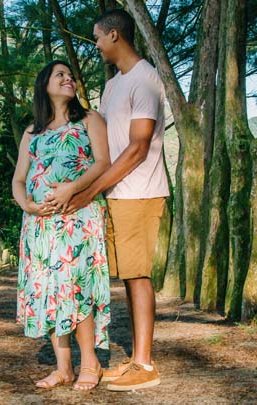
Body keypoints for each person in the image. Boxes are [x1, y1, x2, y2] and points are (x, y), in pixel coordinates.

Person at [61, 8, 169, 391]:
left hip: (140, 192)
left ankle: (145, 365)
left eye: (97, 37)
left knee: (138, 275)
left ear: (114, 36)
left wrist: (90, 190)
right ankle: (136, 359)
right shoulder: (113, 85)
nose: (95, 45)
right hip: (115, 194)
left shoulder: (146, 79)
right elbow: (102, 142)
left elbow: (138, 148)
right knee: (127, 275)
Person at [13, 60, 111, 391]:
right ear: (45, 85)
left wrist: (71, 188)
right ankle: (64, 368)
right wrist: (26, 204)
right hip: (39, 225)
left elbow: (103, 163)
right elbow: (19, 179)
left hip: (77, 216)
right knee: (50, 292)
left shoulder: (89, 119)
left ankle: (90, 363)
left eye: (70, 75)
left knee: (76, 287)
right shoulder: (32, 132)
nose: (69, 79)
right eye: (61, 75)